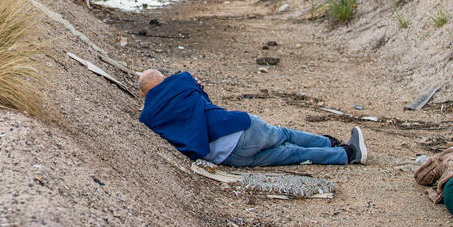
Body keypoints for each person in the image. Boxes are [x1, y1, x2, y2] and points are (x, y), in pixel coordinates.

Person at [138, 69, 368, 167]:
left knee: (292, 154)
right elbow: (205, 102)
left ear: (143, 94)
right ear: (164, 78)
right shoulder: (180, 79)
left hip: (226, 158)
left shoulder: (147, 118)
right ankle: (331, 142)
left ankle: (346, 155)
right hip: (238, 130)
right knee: (284, 135)